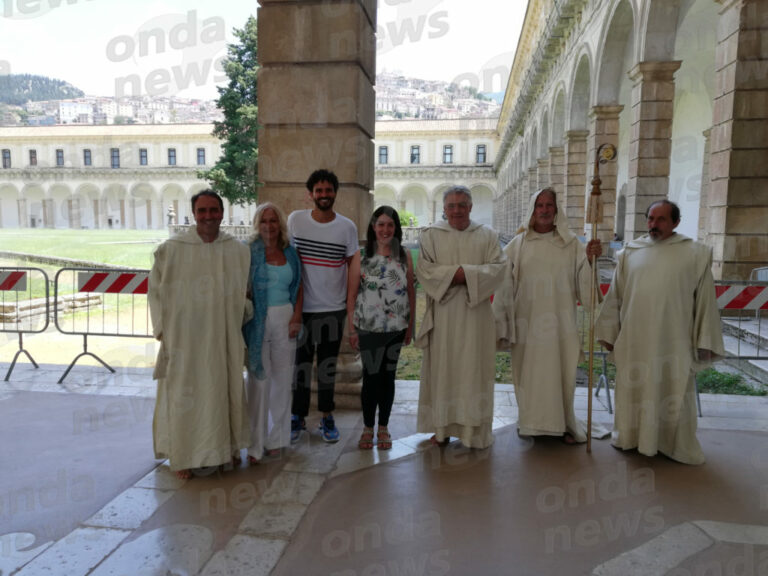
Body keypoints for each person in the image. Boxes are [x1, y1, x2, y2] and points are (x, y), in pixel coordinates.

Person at [596, 199, 725, 465]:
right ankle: (631, 437)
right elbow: (615, 297)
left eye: (661, 219)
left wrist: (705, 340)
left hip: (674, 341)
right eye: (651, 219)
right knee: (635, 387)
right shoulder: (630, 253)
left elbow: (705, 302)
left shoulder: (695, 254)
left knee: (672, 389)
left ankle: (672, 444)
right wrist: (609, 333)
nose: (654, 225)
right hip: (635, 339)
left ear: (676, 222)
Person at [149, 189, 250, 479]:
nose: (208, 216)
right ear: (193, 214)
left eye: (213, 210)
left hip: (222, 339)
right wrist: (161, 329)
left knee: (222, 392)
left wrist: (244, 309)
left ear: (222, 212)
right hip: (185, 341)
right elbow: (155, 291)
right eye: (202, 211)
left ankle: (223, 449)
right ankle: (183, 457)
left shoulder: (236, 251)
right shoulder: (172, 249)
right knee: (185, 396)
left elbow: (243, 294)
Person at [493, 188, 603, 444]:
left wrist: (589, 259)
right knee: (529, 373)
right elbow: (503, 282)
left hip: (560, 322)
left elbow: (583, 281)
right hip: (527, 323)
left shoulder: (571, 244)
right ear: (532, 210)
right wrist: (502, 321)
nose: (544, 210)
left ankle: (563, 423)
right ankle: (531, 423)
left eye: (549, 205)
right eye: (539, 205)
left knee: (560, 372)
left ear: (556, 210)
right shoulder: (518, 245)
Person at [415, 185, 506, 448]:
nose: (457, 210)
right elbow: (424, 269)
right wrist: (469, 274)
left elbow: (499, 268)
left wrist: (459, 274)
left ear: (471, 207)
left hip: (476, 317)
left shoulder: (487, 235)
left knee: (473, 372)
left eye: (462, 205)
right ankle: (441, 430)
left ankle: (474, 432)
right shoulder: (431, 235)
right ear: (444, 209)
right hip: (443, 317)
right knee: (444, 371)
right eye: (451, 206)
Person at [288, 169, 359, 443]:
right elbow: (292, 264)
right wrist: (294, 310)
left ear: (335, 193)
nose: (324, 195)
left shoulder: (347, 227)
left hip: (333, 308)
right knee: (301, 367)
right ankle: (298, 417)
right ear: (311, 195)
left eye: (328, 190)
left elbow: (353, 266)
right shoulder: (296, 221)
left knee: (328, 366)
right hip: (304, 310)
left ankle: (327, 417)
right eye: (319, 191)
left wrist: (350, 310)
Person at [346, 206, 416, 450]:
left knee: (388, 378)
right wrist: (352, 329)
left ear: (395, 228)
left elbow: (410, 291)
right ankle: (367, 428)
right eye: (381, 224)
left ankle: (384, 427)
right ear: (373, 227)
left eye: (390, 225)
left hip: (396, 328)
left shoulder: (404, 255)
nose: (385, 230)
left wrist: (411, 327)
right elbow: (352, 294)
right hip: (368, 328)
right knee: (371, 378)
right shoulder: (361, 256)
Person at [243, 202, 302, 462]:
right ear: (258, 224)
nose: (269, 226)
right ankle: (255, 445)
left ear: (281, 224)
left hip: (285, 318)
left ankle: (277, 438)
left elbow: (299, 286)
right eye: (264, 221)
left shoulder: (290, 252)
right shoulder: (249, 251)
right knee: (259, 381)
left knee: (282, 380)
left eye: (274, 220)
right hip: (258, 320)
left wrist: (297, 317)